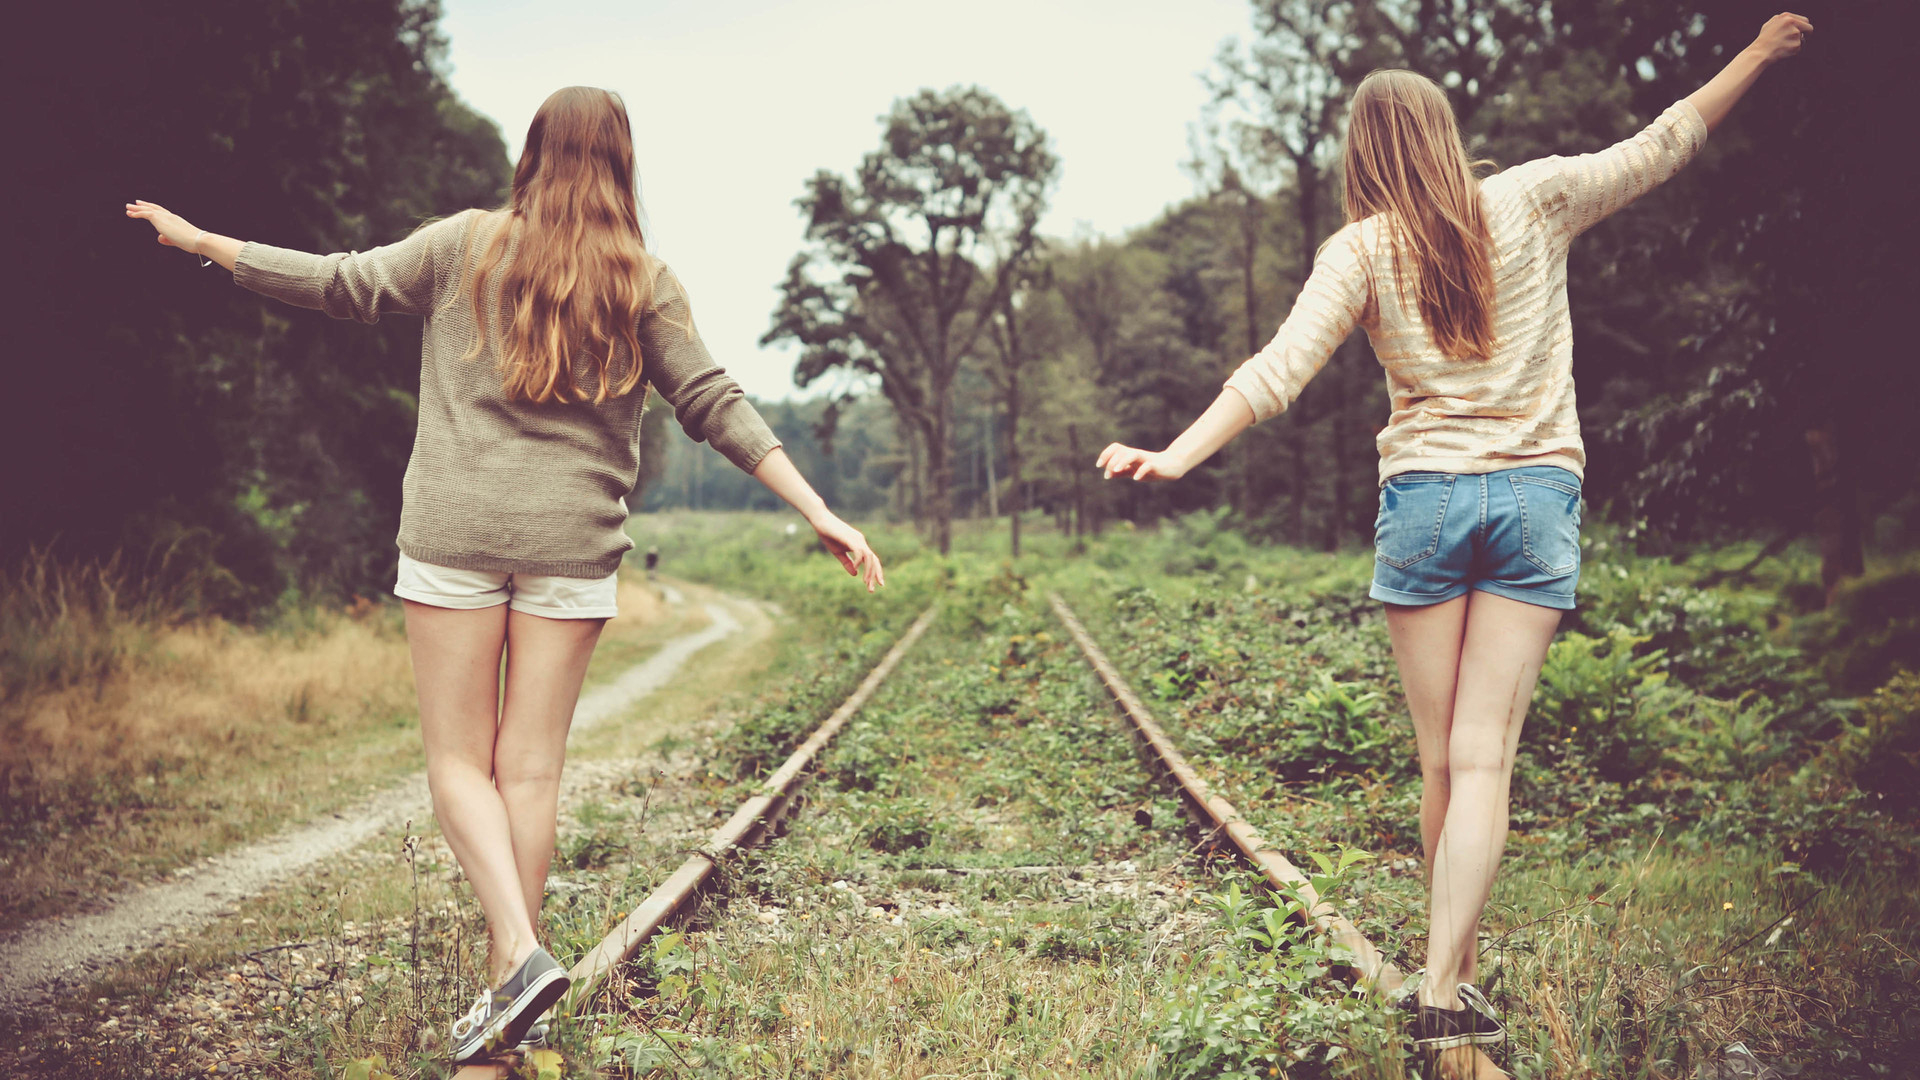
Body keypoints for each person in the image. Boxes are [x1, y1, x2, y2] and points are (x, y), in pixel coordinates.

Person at [1096, 12, 1811, 1056]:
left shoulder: (1359, 249)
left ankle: (1445, 979)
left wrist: (1175, 454)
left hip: (1426, 501)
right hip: (1534, 500)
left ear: (1363, 154)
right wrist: (1755, 53)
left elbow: (1276, 371)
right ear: (1444, 133)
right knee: (1485, 763)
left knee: (1441, 761)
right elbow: (1664, 143)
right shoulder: (1532, 197)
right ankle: (1447, 980)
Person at [127, 86, 884, 1064]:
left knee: (458, 765)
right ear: (622, 165)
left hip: (455, 537)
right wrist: (817, 509)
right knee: (529, 771)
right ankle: (508, 989)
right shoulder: (642, 279)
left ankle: (519, 961)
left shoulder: (465, 246)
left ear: (532, 155)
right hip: (574, 544)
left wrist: (203, 242)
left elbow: (340, 283)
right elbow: (712, 399)